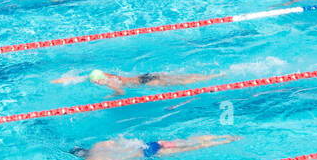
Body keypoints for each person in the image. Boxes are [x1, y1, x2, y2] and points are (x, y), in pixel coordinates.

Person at [66, 134, 238, 160]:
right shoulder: (98, 146)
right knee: (187, 141)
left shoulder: (94, 159)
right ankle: (221, 136)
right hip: (148, 144)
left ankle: (224, 142)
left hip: (145, 154)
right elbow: (115, 141)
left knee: (194, 148)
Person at [54, 69, 209, 96]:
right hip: (144, 76)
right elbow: (79, 78)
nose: (98, 83)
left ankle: (209, 78)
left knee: (181, 83)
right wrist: (57, 81)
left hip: (145, 84)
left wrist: (111, 95)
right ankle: (207, 75)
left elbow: (122, 92)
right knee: (178, 77)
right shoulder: (102, 75)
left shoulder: (109, 81)